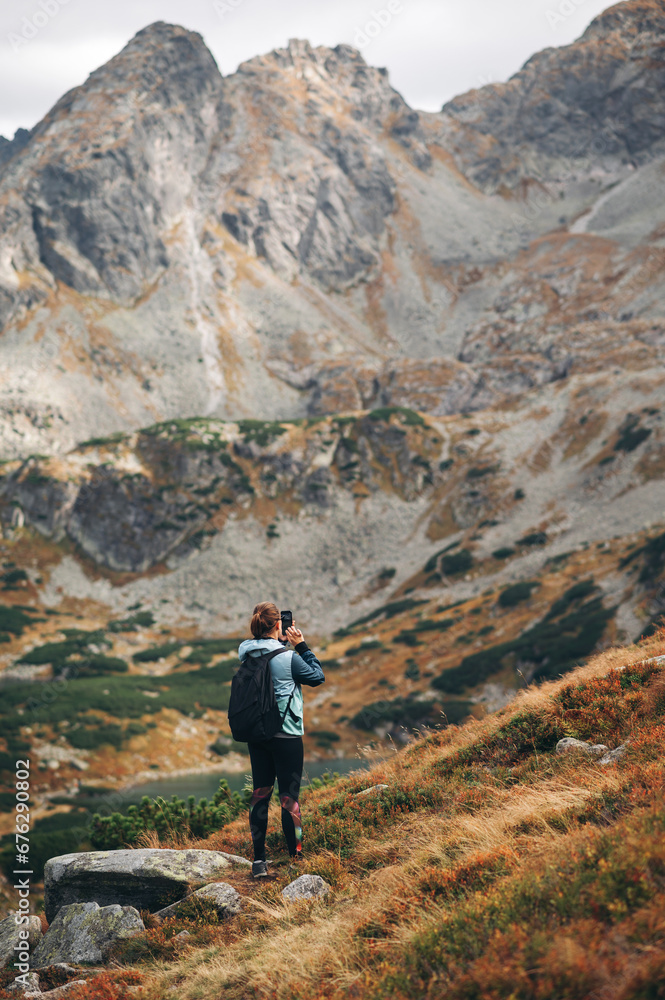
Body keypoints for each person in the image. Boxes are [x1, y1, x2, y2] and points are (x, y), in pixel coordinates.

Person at [238, 602, 325, 878]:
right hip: (286, 735)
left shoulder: (246, 655)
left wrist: (278, 642)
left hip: (257, 735)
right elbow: (317, 677)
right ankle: (296, 858)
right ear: (279, 626)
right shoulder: (289, 658)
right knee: (290, 798)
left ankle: (259, 863)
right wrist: (301, 645)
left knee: (261, 794)